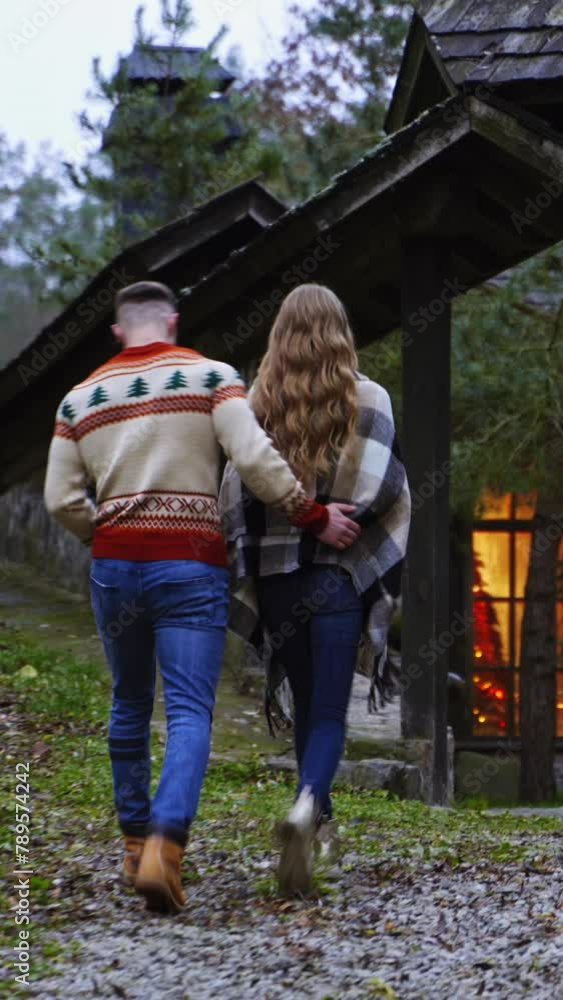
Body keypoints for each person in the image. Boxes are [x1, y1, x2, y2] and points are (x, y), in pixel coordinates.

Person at [43, 281, 360, 914]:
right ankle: (167, 842)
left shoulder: (78, 400)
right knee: (189, 709)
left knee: (129, 701)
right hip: (189, 566)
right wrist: (313, 514)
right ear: (173, 320)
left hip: (115, 568)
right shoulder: (211, 377)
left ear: (117, 331)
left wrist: (104, 535)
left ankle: (136, 842)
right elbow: (256, 461)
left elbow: (60, 500)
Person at [220, 283, 411, 896]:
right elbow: (387, 487)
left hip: (278, 584)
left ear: (280, 335)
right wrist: (340, 511)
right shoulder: (370, 398)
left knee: (306, 704)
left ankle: (315, 816)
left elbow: (236, 491)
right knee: (330, 713)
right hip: (338, 578)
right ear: (341, 333)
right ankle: (307, 808)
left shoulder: (257, 403)